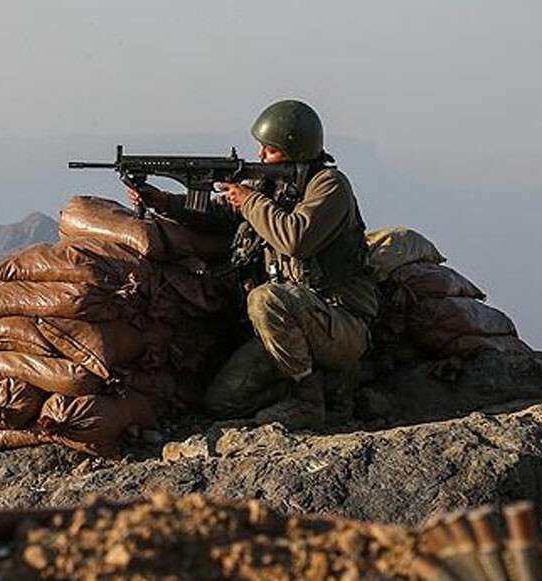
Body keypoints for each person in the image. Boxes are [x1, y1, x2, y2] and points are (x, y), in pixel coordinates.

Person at [128, 99, 376, 429]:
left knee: (264, 298)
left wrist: (250, 200)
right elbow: (223, 215)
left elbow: (295, 238)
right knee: (223, 402)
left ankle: (308, 403)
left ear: (295, 150)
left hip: (338, 322)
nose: (260, 156)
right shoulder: (272, 185)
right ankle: (323, 390)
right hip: (286, 328)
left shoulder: (329, 187)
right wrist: (167, 202)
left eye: (269, 150)